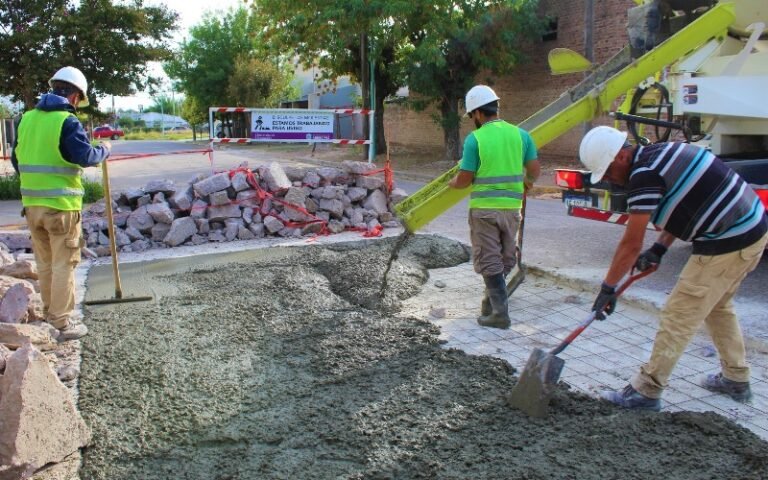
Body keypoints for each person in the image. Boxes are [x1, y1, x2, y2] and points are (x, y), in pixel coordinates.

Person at [579, 126, 768, 411]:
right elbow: (686, 207)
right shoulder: (661, 154)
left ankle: (646, 390)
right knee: (717, 306)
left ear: (619, 156)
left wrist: (608, 288)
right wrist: (660, 249)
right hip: (752, 231)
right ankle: (736, 378)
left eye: (607, 172)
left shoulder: (643, 176)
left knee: (679, 314)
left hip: (728, 241)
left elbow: (630, 244)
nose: (609, 180)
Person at [11, 66, 111, 341]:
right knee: (64, 264)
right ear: (76, 95)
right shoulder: (66, 121)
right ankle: (61, 323)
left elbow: (16, 160)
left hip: (32, 206)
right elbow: (84, 155)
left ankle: (49, 312)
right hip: (61, 208)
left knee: (44, 263)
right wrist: (105, 150)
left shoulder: (26, 119)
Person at [448, 85, 540, 329]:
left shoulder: (475, 140)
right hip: (512, 210)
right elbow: (534, 170)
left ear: (477, 113)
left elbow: (465, 179)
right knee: (506, 257)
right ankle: (490, 303)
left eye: (471, 117)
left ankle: (500, 314)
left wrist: (452, 183)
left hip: (484, 211)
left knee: (489, 258)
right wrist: (527, 184)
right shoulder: (521, 135)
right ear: (496, 108)